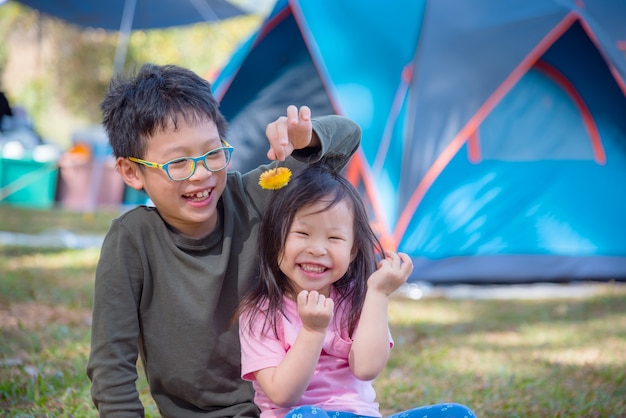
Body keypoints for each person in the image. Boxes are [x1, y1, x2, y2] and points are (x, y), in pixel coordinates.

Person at [86, 63, 361, 417]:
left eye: (213, 153)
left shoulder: (254, 195)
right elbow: (111, 363)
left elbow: (347, 137)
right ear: (132, 172)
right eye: (178, 163)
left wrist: (307, 140)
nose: (201, 174)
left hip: (279, 409)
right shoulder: (132, 241)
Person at [237, 163, 477, 418]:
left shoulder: (356, 299)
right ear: (276, 240)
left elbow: (366, 368)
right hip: (298, 415)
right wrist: (312, 330)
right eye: (303, 233)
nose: (318, 249)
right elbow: (283, 395)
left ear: (352, 251)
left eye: (334, 238)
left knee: (457, 414)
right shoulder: (260, 312)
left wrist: (378, 293)